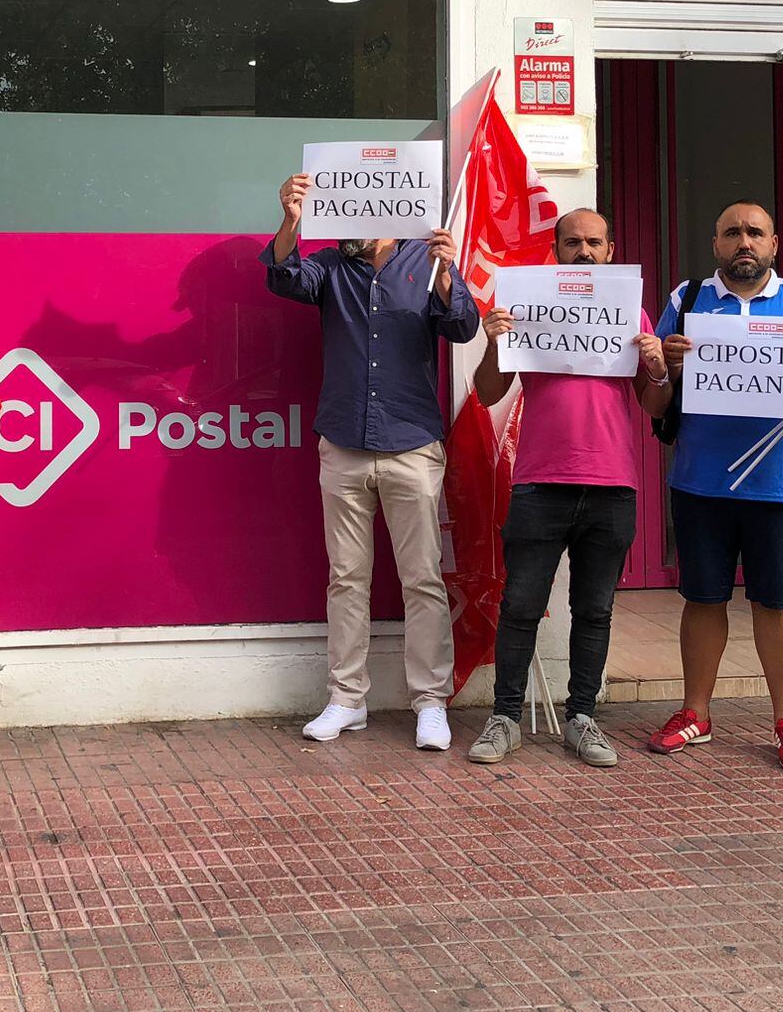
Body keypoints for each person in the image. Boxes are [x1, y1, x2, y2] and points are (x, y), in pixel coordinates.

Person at [263, 173, 480, 751]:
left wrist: (446, 272)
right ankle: (346, 699)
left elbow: (462, 326)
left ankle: (430, 703)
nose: (351, 226)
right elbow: (283, 276)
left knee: (423, 581)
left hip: (411, 445)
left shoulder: (426, 258)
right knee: (346, 577)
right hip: (343, 443)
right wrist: (292, 220)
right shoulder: (331, 265)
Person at [649, 201, 783, 773]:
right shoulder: (685, 302)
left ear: (774, 244)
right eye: (732, 233)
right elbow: (654, 400)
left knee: (776, 601)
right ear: (716, 244)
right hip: (701, 481)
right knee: (702, 598)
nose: (743, 241)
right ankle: (695, 713)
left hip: (778, 483)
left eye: (755, 232)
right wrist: (663, 368)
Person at [465, 208, 671, 769]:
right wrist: (493, 342)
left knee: (595, 609)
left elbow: (655, 406)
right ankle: (504, 718)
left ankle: (582, 719)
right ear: (555, 250)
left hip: (611, 485)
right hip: (539, 481)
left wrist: (655, 367)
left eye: (594, 243)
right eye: (573, 242)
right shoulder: (525, 309)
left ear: (610, 250)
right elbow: (487, 394)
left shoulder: (633, 312)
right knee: (521, 605)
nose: (584, 251)